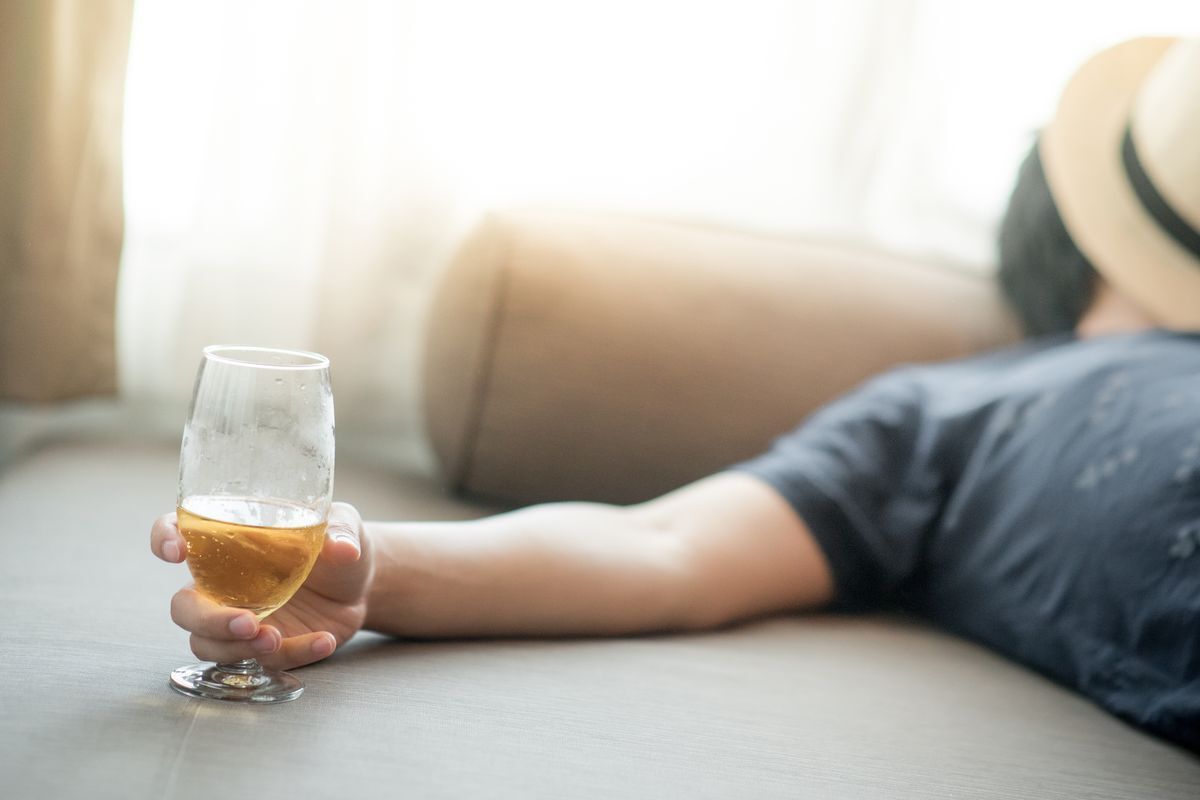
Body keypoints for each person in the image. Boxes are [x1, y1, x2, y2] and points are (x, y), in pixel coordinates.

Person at [151, 37, 1200, 750]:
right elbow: (663, 549)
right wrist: (367, 566)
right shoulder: (949, 411)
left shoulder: (956, 407)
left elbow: (661, 548)